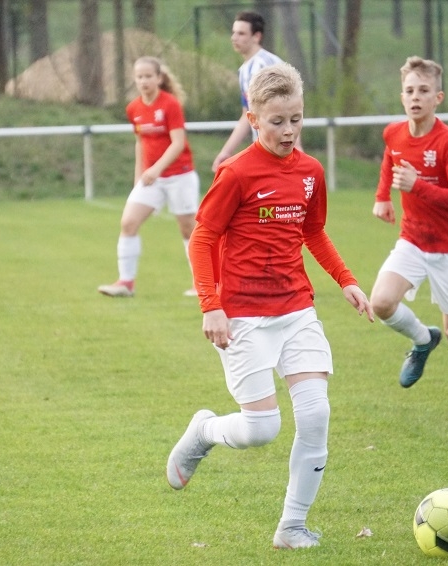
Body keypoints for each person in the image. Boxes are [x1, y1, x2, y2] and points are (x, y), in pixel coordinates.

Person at [166, 62, 374, 550]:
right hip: (242, 315)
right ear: (253, 119)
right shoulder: (236, 173)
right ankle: (204, 431)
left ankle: (292, 526)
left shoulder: (310, 172)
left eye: (296, 119)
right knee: (262, 429)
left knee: (316, 414)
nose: (288, 130)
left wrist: (346, 280)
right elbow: (203, 239)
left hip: (296, 308)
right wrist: (210, 305)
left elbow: (313, 232)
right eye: (277, 121)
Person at [369, 56, 448, 420]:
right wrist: (382, 197)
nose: (415, 97)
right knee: (381, 302)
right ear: (402, 97)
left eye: (423, 90)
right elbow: (390, 159)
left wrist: (417, 187)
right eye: (409, 91)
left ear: (438, 98)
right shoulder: (394, 133)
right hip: (414, 239)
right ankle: (423, 339)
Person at [98, 56, 200, 298]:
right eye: (139, 77)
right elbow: (140, 143)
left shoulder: (170, 104)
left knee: (188, 230)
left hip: (180, 176)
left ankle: (203, 284)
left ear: (159, 78)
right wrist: (139, 178)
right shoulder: (133, 108)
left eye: (148, 76)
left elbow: (178, 143)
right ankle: (126, 283)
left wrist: (156, 169)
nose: (143, 81)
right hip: (152, 178)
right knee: (128, 223)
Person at [212, 11, 300, 171]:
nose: (234, 38)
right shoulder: (244, 70)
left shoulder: (264, 66)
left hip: (279, 152)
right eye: (233, 32)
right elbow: (246, 114)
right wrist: (226, 151)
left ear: (256, 36)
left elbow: (289, 109)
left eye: (241, 33)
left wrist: (297, 148)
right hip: (264, 151)